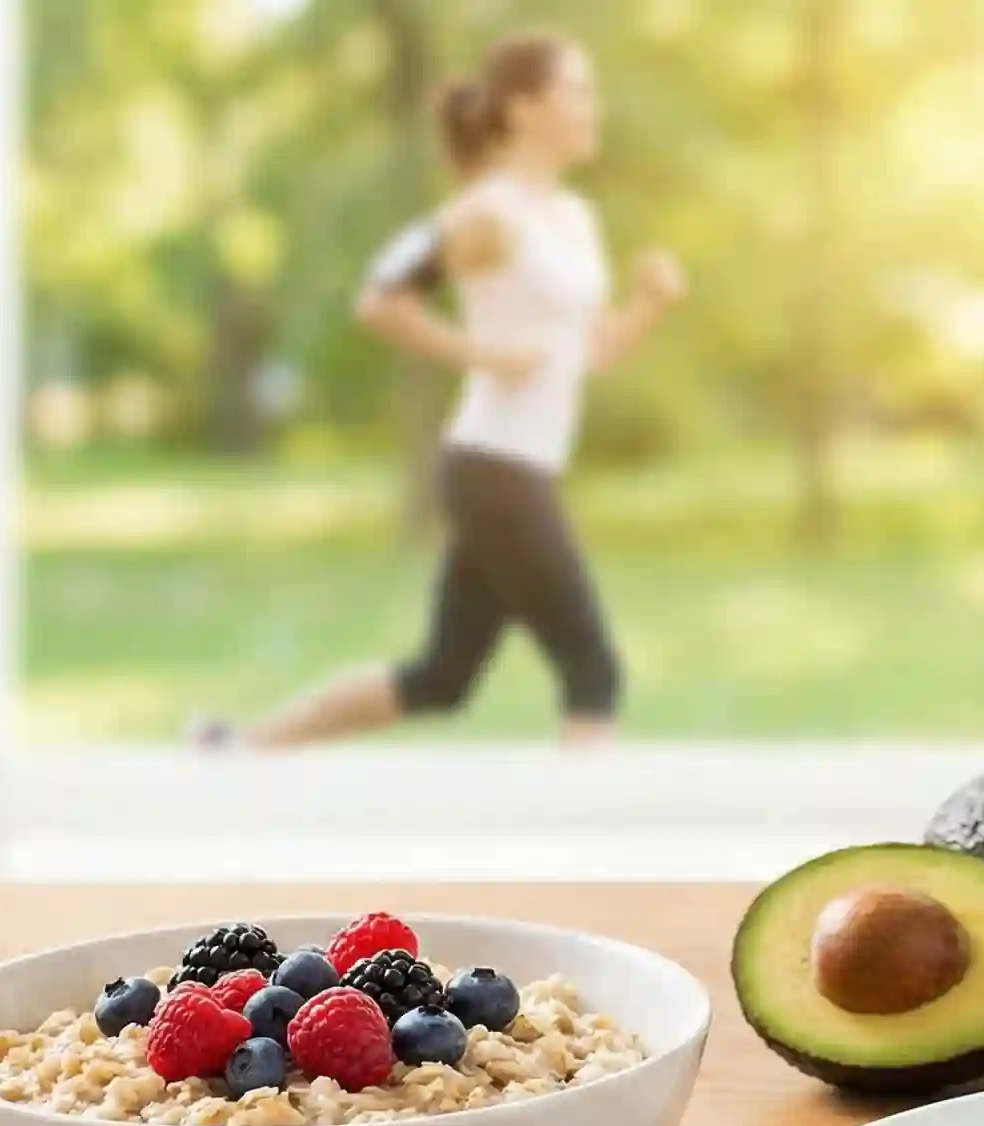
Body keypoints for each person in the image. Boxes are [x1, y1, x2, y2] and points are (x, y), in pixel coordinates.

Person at [207, 31, 684, 748]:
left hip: (527, 464)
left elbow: (589, 355)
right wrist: (484, 353)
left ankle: (239, 749)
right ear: (523, 109)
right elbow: (380, 299)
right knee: (593, 672)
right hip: (494, 465)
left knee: (441, 678)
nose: (594, 107)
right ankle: (583, 831)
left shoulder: (575, 219)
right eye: (577, 91)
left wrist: (648, 305)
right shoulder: (486, 213)